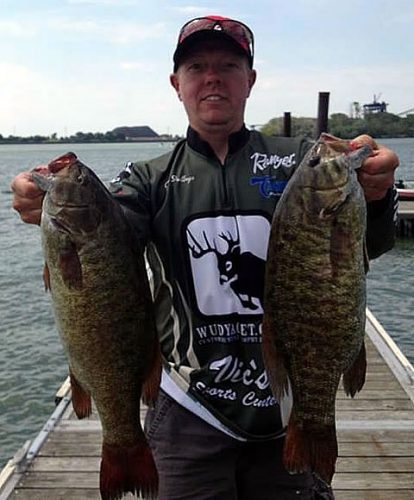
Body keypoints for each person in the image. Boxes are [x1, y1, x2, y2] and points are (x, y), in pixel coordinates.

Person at [11, 15, 399, 500]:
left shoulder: (303, 161)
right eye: (196, 66)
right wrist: (49, 208)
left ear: (250, 80)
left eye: (228, 65)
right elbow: (114, 234)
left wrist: (378, 195)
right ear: (178, 84)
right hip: (188, 405)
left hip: (288, 396)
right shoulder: (147, 177)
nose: (212, 77)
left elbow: (371, 244)